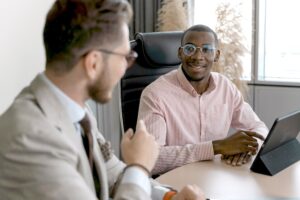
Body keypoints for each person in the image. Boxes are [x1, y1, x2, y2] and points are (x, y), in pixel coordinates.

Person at [0, 1, 205, 200]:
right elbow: (131, 176)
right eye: (125, 57)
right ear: (94, 63)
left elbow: (113, 175)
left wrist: (169, 197)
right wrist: (140, 166)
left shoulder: (79, 112)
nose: (125, 68)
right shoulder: (29, 138)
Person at [137, 24, 269, 175]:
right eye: (189, 48)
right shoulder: (155, 94)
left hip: (217, 176)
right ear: (180, 53)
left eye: (206, 49)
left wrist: (247, 148)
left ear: (217, 55)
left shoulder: (225, 87)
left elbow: (259, 128)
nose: (198, 57)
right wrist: (216, 147)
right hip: (177, 182)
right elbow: (150, 159)